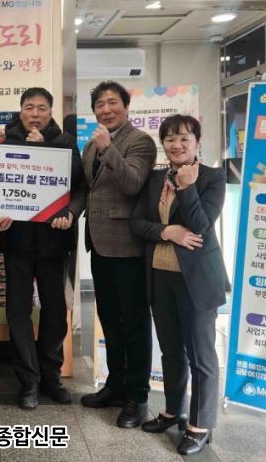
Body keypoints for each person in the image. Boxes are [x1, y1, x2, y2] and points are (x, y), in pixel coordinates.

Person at [131, 114, 227, 455]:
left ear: (198, 142)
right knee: (171, 350)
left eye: (184, 138)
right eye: (170, 139)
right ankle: (174, 411)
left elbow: (200, 225)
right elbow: (137, 223)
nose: (176, 145)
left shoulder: (213, 177)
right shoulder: (156, 178)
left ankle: (200, 424)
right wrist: (166, 232)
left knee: (201, 355)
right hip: (160, 276)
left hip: (197, 280)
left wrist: (187, 187)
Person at [0, 88, 86, 410]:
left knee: (55, 312)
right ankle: (28, 381)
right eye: (30, 107)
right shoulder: (3, 144)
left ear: (50, 111)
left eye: (42, 108)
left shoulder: (66, 142)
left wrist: (70, 213)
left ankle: (51, 375)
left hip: (54, 242)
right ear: (20, 111)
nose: (35, 114)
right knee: (18, 312)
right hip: (16, 241)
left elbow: (79, 186)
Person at [79, 81, 157, 429]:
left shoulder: (140, 141)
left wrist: (108, 149)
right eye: (100, 104)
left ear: (126, 106)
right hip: (99, 244)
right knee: (110, 320)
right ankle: (115, 385)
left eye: (112, 102)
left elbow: (133, 183)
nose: (106, 109)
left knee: (134, 324)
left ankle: (137, 397)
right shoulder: (90, 145)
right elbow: (88, 190)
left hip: (128, 247)